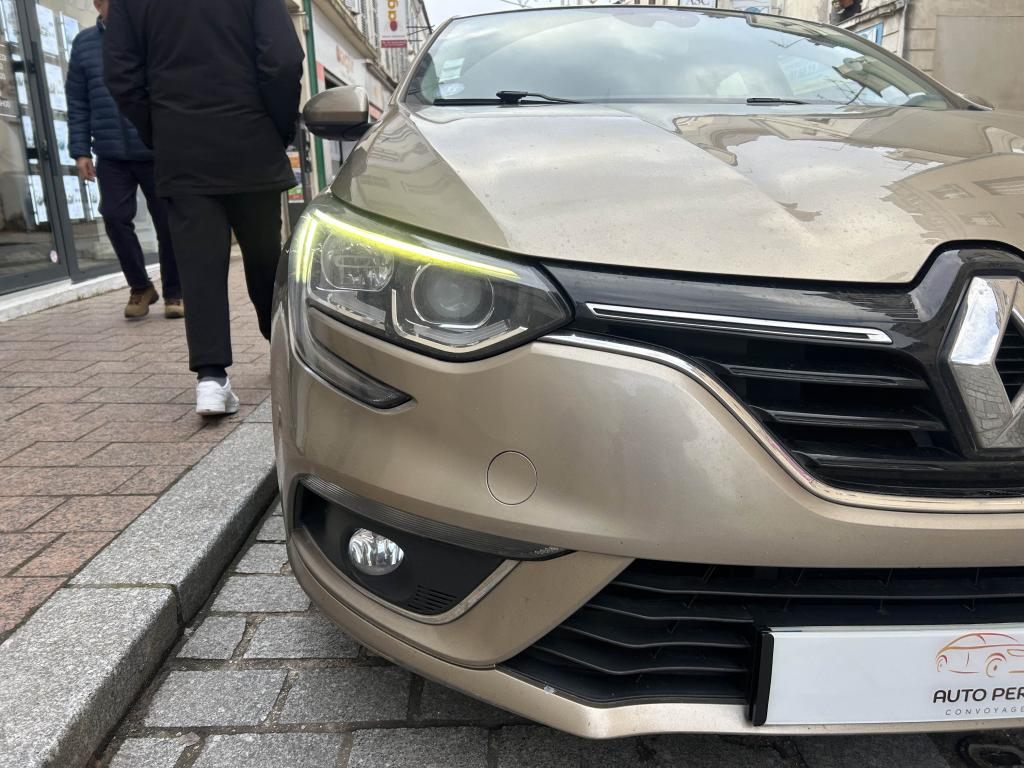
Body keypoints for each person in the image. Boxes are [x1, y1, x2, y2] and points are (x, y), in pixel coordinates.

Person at [103, 0, 303, 415]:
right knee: (266, 257)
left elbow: (121, 75)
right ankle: (283, 349)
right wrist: (279, 126)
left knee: (199, 264)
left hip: (182, 143)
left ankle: (212, 378)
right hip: (250, 136)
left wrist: (160, 129)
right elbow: (282, 59)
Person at [66, 0, 182, 320]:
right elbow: (78, 101)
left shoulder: (149, 36)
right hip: (110, 153)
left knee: (168, 223)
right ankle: (140, 286)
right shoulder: (84, 44)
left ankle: (175, 292)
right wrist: (80, 150)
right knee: (114, 217)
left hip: (155, 148)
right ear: (97, 5)